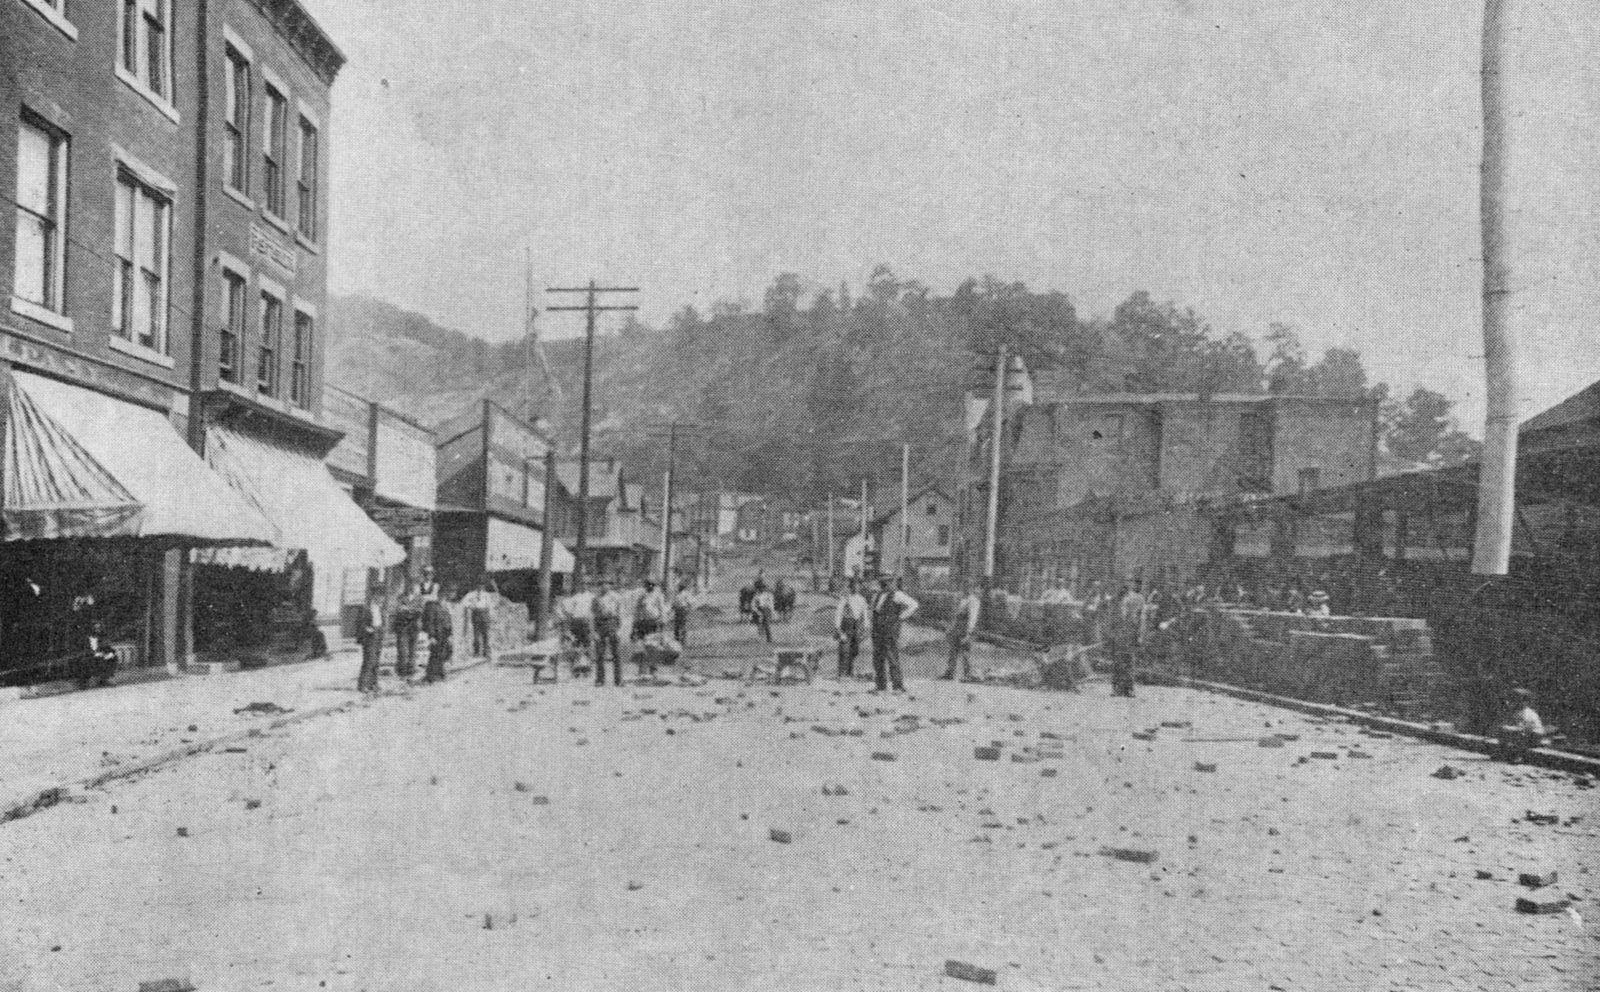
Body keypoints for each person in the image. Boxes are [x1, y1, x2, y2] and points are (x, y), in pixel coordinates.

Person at [869, 575, 918, 693]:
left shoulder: (897, 595)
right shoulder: (877, 595)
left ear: (892, 582)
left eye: (888, 581)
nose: (885, 584)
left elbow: (914, 605)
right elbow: (872, 611)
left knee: (892, 657)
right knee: (877, 658)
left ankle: (898, 686)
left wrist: (900, 617)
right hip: (877, 630)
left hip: (890, 629)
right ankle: (880, 686)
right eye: (883, 581)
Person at [940, 584, 981, 681]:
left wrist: (969, 631)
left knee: (966, 651)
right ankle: (950, 672)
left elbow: (972, 617)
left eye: (968, 587)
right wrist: (950, 628)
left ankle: (968, 673)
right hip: (957, 628)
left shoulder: (973, 600)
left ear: (972, 588)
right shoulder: (961, 599)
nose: (965, 589)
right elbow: (956, 616)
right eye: (964, 587)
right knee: (953, 650)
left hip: (965, 628)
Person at [1112, 583, 1146, 698]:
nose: (1125, 585)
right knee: (1117, 661)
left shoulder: (1138, 598)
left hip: (1131, 633)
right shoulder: (1115, 598)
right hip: (1118, 633)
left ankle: (1129, 688)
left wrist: (1140, 635)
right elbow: (1111, 616)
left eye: (1129, 582)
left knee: (1129, 660)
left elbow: (1142, 618)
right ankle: (1116, 688)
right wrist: (1110, 633)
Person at [590, 578, 625, 686]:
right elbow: (593, 615)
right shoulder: (596, 598)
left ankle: (618, 680)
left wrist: (620, 630)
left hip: (613, 623)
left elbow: (621, 614)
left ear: (611, 585)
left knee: (616, 653)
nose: (604, 586)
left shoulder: (617, 597)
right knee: (600, 653)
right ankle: (600, 679)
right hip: (600, 624)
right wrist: (594, 631)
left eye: (607, 584)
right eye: (602, 584)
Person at [833, 579, 869, 679]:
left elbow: (865, 614)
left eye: (857, 586)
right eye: (853, 586)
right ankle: (842, 674)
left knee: (854, 650)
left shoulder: (862, 599)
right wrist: (837, 628)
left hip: (856, 626)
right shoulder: (845, 598)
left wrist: (865, 628)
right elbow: (839, 613)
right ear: (850, 587)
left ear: (859, 587)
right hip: (845, 626)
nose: (855, 588)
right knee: (844, 649)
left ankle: (850, 672)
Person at [390, 580, 423, 679]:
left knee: (412, 650)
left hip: (414, 627)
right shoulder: (401, 597)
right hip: (402, 627)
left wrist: (407, 609)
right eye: (411, 586)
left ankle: (411, 672)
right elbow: (398, 609)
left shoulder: (419, 598)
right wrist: (410, 610)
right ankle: (402, 672)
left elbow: (420, 610)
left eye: (415, 587)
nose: (413, 588)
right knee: (402, 651)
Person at [421, 592, 453, 683]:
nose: (443, 600)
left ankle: (440, 673)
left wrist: (450, 634)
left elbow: (449, 621)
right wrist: (431, 636)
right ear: (439, 597)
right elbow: (430, 622)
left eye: (445, 598)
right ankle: (430, 676)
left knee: (444, 653)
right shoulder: (433, 607)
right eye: (442, 598)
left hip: (445, 634)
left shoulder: (446, 607)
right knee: (435, 654)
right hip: (436, 634)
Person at [357, 590, 385, 693]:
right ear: (374, 596)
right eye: (379, 596)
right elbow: (361, 623)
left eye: (382, 596)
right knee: (369, 661)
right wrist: (367, 629)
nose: (381, 598)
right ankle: (363, 685)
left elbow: (381, 621)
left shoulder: (380, 608)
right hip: (369, 637)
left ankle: (373, 684)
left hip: (378, 635)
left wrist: (381, 632)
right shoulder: (367, 608)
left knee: (376, 661)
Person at [461, 577, 496, 658]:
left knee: (485, 634)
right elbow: (464, 602)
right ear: (476, 586)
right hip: (476, 613)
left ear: (484, 586)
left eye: (482, 585)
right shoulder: (471, 594)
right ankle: (476, 652)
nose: (480, 587)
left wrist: (490, 616)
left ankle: (486, 652)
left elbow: (490, 606)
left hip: (484, 613)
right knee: (476, 634)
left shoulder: (486, 595)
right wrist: (471, 606)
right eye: (479, 585)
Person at [670, 581, 694, 646]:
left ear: (683, 587)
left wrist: (688, 610)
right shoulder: (676, 594)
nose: (679, 588)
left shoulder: (685, 594)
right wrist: (671, 609)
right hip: (677, 610)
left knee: (683, 626)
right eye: (679, 587)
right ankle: (676, 640)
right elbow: (673, 603)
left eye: (680, 587)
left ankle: (683, 641)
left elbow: (690, 603)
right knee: (676, 626)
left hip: (683, 610)